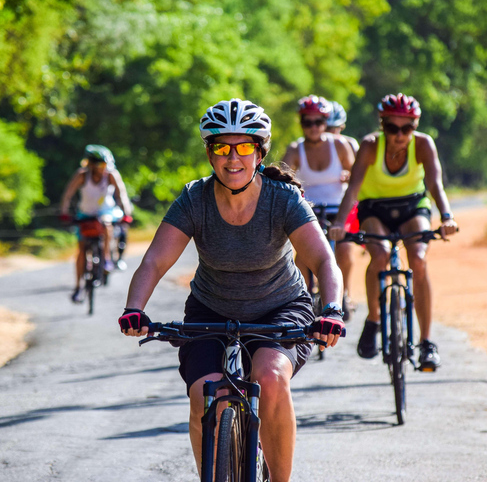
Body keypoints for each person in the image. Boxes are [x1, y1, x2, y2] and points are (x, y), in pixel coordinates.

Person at [118, 98, 345, 482]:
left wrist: (332, 309)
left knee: (270, 377)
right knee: (204, 393)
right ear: (209, 152)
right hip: (211, 309)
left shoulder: (283, 199)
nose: (233, 158)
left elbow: (324, 261)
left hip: (280, 309)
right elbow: (155, 260)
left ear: (260, 151)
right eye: (222, 147)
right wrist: (134, 308)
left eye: (244, 147)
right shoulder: (195, 198)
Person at [328, 93, 458, 370]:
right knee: (379, 255)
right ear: (382, 125)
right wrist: (340, 223)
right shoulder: (370, 145)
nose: (399, 135)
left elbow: (435, 184)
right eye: (392, 128)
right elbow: (353, 188)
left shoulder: (423, 144)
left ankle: (426, 343)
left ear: (415, 126)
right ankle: (374, 320)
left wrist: (446, 217)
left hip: (413, 206)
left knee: (419, 258)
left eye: (406, 128)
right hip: (375, 208)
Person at [282, 95, 357, 319]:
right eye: (308, 122)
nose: (313, 127)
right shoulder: (295, 149)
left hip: (338, 208)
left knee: (344, 248)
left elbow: (357, 178)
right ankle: (303, 300)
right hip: (308, 209)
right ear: (301, 123)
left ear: (325, 123)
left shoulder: (340, 145)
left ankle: (344, 293)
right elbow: (283, 177)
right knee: (303, 256)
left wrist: (348, 175)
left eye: (318, 122)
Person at [60, 144, 133, 304]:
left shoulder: (111, 174)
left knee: (106, 223)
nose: (103, 168)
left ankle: (106, 259)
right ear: (91, 163)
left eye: (105, 165)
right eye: (101, 164)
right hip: (85, 214)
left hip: (106, 212)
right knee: (81, 250)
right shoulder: (82, 175)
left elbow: (122, 194)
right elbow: (68, 195)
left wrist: (126, 213)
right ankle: (78, 288)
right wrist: (64, 212)